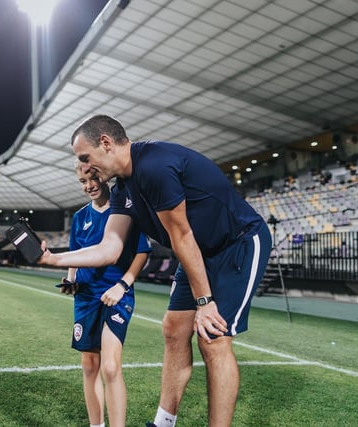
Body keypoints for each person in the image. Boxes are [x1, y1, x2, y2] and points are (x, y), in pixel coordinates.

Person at [39, 115, 272, 427]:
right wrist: (53, 259)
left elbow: (182, 235)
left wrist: (204, 303)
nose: (85, 167)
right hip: (197, 252)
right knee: (174, 329)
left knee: (212, 338)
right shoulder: (122, 189)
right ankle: (163, 423)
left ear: (106, 143)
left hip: (237, 243)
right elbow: (111, 247)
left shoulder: (154, 166)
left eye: (85, 157)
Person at [60, 161, 151, 427]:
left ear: (103, 176)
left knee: (110, 367)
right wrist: (71, 279)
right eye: (82, 182)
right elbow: (76, 256)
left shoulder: (126, 210)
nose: (88, 186)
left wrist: (123, 285)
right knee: (89, 365)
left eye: (92, 178)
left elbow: (143, 252)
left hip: (116, 295)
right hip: (86, 296)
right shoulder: (80, 217)